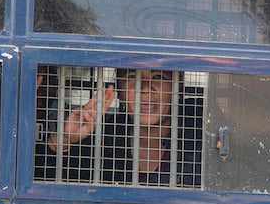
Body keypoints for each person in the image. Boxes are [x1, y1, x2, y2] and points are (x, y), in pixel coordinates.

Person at [34, 68, 201, 186]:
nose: (144, 88)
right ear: (120, 91)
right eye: (132, 77)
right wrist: (63, 141)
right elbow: (35, 186)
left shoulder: (199, 141)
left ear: (176, 88)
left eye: (158, 77)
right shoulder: (102, 139)